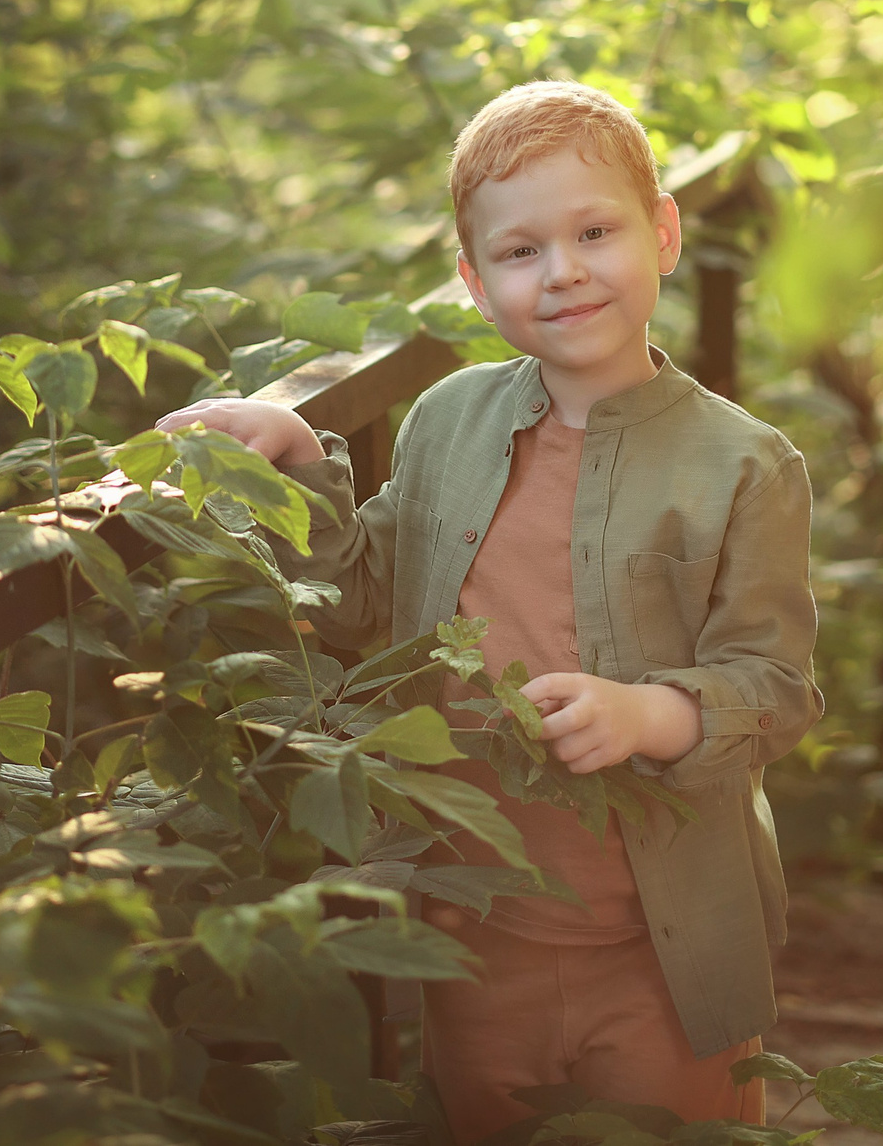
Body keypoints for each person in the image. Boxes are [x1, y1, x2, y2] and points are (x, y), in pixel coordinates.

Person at [158, 80, 820, 1144]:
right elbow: (365, 595)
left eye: (595, 231)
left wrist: (649, 714)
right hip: (476, 922)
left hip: (659, 943)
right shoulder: (446, 422)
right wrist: (290, 459)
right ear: (474, 283)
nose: (562, 272)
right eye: (519, 252)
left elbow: (776, 688)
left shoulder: (744, 464)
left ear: (662, 233)